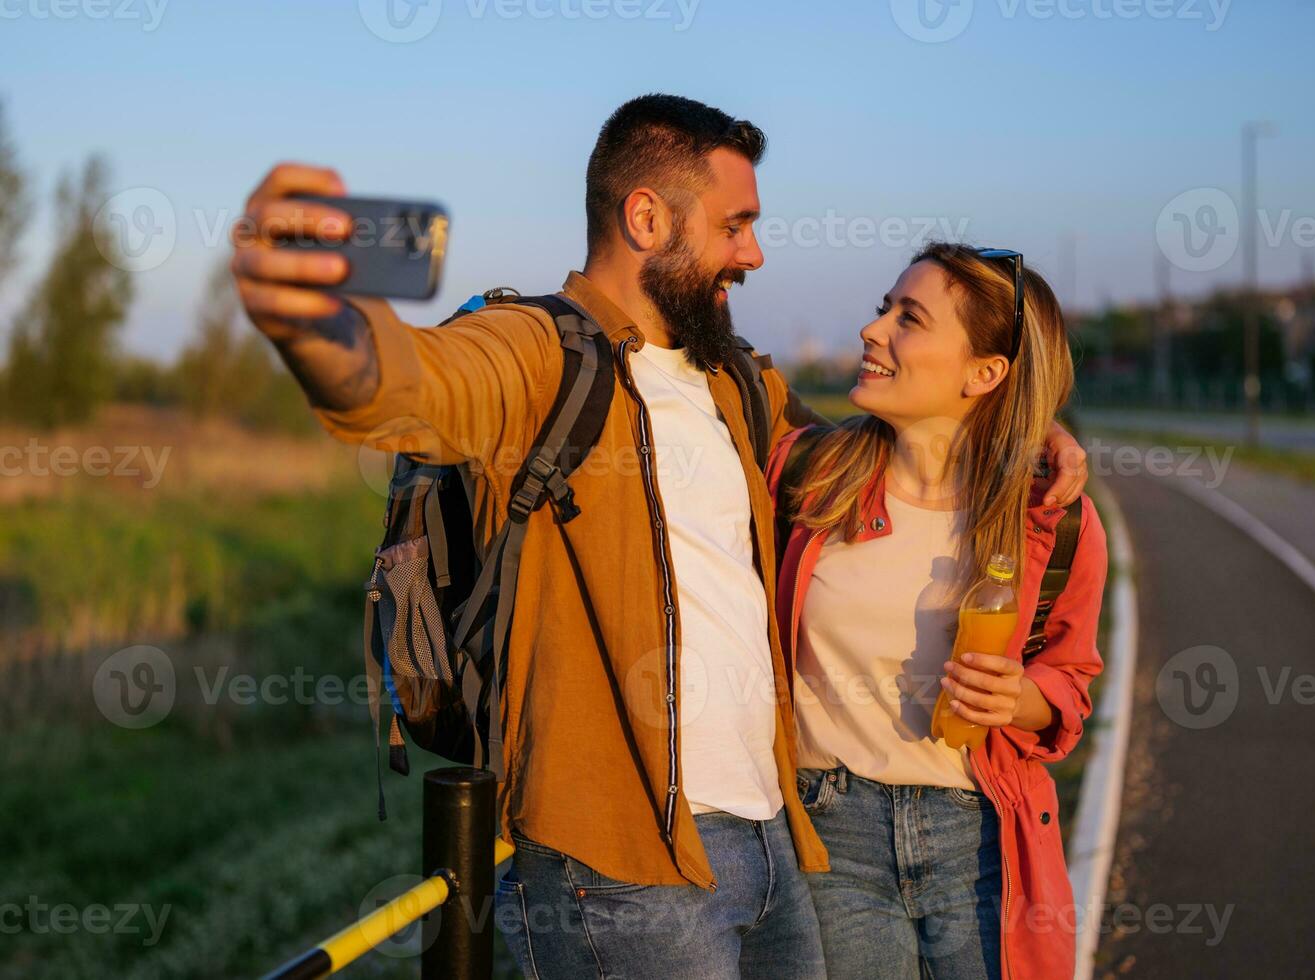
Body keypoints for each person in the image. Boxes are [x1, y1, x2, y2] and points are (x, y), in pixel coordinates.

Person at [230, 94, 1089, 976]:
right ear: (647, 217)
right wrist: (315, 324)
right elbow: (408, 382)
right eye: (735, 225)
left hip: (776, 847)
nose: (753, 252)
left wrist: (1018, 431)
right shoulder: (538, 354)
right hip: (620, 870)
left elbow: (896, 447)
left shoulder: (737, 383)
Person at [766, 243, 1107, 979]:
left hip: (980, 840)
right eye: (882, 308)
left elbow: (1070, 683)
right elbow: (724, 379)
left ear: (985, 373)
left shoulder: (1053, 520)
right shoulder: (805, 475)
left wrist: (1021, 699)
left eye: (908, 318)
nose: (873, 330)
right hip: (830, 834)